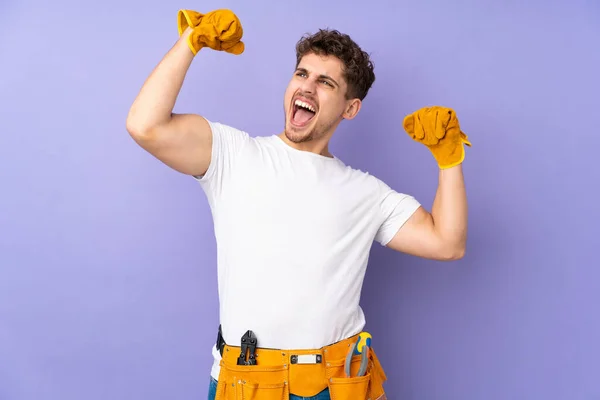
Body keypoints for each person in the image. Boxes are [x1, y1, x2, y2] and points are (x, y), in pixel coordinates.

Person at [126, 8, 470, 400]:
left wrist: (449, 158)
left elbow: (448, 242)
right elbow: (145, 125)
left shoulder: (366, 192)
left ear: (350, 108)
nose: (307, 88)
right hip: (249, 383)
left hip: (339, 385)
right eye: (301, 74)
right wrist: (190, 42)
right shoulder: (234, 155)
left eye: (325, 82)